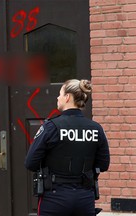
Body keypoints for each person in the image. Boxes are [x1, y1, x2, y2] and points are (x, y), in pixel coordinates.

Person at [25, 79, 110, 216]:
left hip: (54, 198)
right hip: (85, 198)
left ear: (67, 97)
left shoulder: (51, 127)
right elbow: (103, 165)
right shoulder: (96, 129)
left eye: (60, 94)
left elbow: (30, 162)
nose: (57, 98)